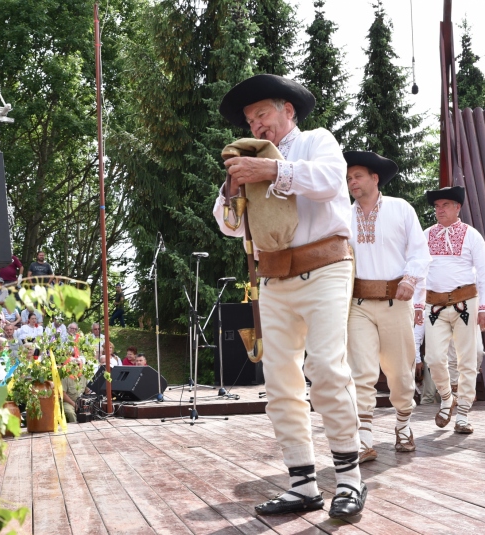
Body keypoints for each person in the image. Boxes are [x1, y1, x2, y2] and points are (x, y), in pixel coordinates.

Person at [212, 74, 365, 518]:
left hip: (326, 268)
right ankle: (302, 484)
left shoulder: (317, 140)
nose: (257, 125)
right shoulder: (246, 159)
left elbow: (331, 181)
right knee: (279, 382)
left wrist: (272, 170)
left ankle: (351, 481)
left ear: (288, 112)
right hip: (274, 277)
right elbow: (229, 225)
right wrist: (232, 191)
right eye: (250, 119)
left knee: (326, 368)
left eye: (263, 113)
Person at [343, 151, 430, 461]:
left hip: (397, 301)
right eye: (349, 177)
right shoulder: (341, 214)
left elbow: (420, 251)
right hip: (357, 304)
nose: (352, 181)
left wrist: (410, 279)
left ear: (375, 178)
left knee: (400, 373)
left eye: (358, 176)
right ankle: (364, 438)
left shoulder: (400, 209)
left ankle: (404, 425)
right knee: (361, 370)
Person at [422, 186, 485, 434]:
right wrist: (416, 306)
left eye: (445, 205)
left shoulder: (472, 236)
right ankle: (446, 398)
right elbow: (419, 273)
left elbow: (484, 273)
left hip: (466, 301)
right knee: (433, 357)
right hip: (434, 305)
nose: (439, 210)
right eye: (436, 206)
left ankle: (463, 412)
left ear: (457, 208)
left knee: (469, 359)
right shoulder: (425, 235)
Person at [61, 359, 88, 423]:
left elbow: (86, 390)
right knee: (70, 413)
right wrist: (74, 404)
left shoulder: (84, 376)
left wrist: (88, 391)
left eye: (78, 364)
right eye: (74, 365)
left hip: (81, 401)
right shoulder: (65, 377)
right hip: (69, 402)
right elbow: (63, 394)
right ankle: (76, 429)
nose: (76, 367)